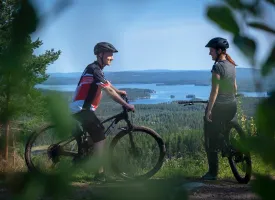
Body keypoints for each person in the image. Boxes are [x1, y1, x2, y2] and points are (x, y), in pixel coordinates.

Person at [70, 42, 135, 182]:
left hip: (82, 109)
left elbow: (107, 84)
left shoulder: (96, 69)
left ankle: (83, 154)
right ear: (100, 55)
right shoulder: (94, 69)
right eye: (109, 54)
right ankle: (99, 174)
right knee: (101, 137)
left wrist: (119, 91)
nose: (112, 57)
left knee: (97, 133)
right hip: (82, 109)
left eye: (112, 55)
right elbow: (108, 90)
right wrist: (125, 104)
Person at [202, 37, 238, 180]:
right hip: (232, 106)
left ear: (218, 51)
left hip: (220, 107)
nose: (209, 54)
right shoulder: (232, 65)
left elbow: (214, 91)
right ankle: (230, 147)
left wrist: (209, 110)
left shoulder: (217, 67)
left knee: (210, 138)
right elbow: (235, 87)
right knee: (222, 131)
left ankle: (212, 173)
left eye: (211, 51)